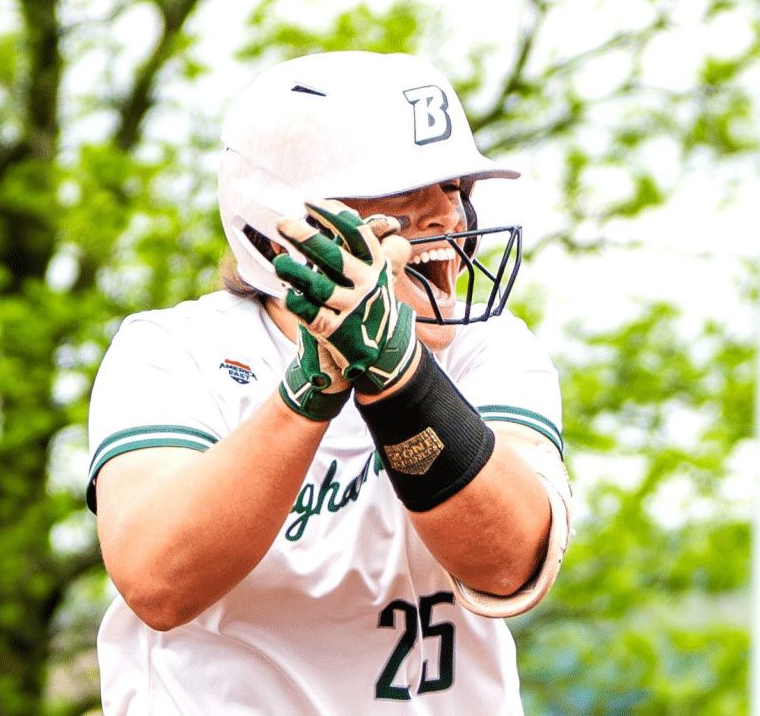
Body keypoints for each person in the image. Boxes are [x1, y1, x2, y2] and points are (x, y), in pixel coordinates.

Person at [86, 51, 571, 715]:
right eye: (405, 189)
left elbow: (507, 561)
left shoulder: (491, 348)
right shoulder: (176, 349)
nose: (445, 215)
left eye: (453, 185)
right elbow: (159, 581)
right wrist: (307, 395)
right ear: (287, 218)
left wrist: (401, 382)